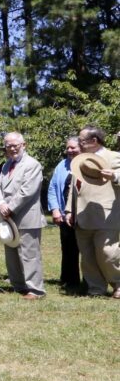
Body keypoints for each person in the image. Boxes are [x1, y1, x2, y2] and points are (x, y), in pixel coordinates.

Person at [0, 132, 46, 299]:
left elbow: (27, 191)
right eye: (8, 146)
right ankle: (19, 286)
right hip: (8, 216)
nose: (12, 148)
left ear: (24, 145)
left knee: (29, 254)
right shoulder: (5, 165)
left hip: (27, 216)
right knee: (11, 254)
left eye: (15, 145)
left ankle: (36, 290)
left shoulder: (32, 164)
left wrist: (10, 207)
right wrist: (0, 204)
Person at [66, 126, 120, 298]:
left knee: (108, 252)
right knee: (87, 255)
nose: (78, 143)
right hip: (82, 214)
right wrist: (69, 209)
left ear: (94, 141)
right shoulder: (80, 159)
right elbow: (74, 186)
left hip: (106, 215)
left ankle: (118, 284)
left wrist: (115, 176)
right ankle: (96, 288)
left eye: (81, 140)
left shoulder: (113, 156)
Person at [47, 136, 81, 290]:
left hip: (85, 214)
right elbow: (53, 188)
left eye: (73, 147)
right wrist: (55, 210)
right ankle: (68, 279)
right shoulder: (61, 165)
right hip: (64, 214)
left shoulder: (89, 163)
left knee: (88, 251)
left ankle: (92, 282)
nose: (69, 150)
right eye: (68, 147)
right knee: (68, 249)